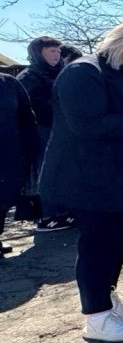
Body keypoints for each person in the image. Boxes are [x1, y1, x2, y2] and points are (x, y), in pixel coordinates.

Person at [40, 17, 123, 342]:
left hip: (121, 179)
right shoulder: (83, 72)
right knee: (97, 245)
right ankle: (96, 317)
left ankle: (107, 298)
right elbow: (86, 124)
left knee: (116, 242)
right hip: (89, 179)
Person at [18, 35, 72, 232]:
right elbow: (29, 107)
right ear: (38, 53)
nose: (56, 55)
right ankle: (47, 215)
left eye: (58, 51)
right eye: (51, 51)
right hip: (40, 130)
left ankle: (63, 212)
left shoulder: (60, 73)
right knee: (45, 171)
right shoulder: (29, 77)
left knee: (62, 171)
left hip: (60, 129)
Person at [0, 73, 37, 257]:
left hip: (9, 152)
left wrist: (32, 146)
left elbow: (26, 116)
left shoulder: (9, 83)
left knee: (4, 197)